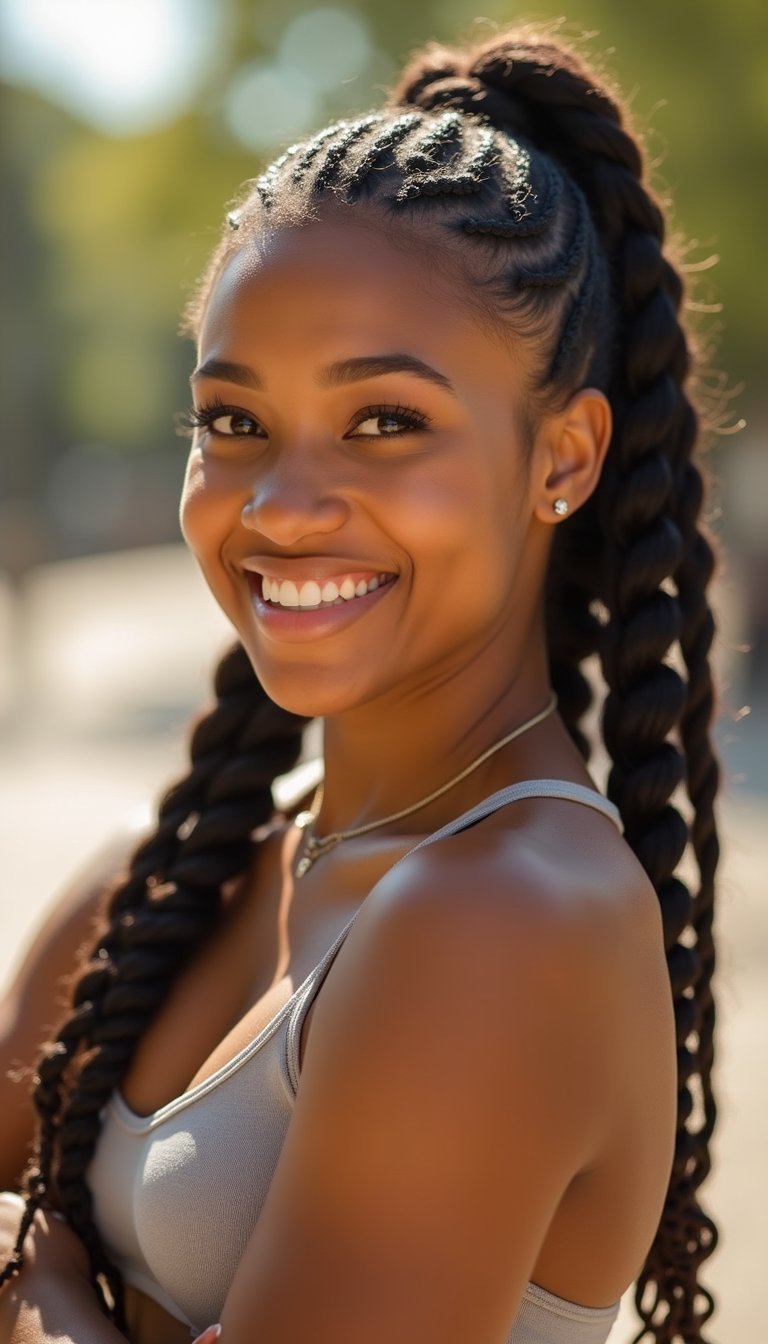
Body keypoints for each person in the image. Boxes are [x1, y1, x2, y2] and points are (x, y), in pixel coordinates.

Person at [0, 23, 721, 1344]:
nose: (280, 506)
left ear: (564, 456)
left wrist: (32, 1283)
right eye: (235, 423)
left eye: (384, 421)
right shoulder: (153, 896)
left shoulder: (512, 920)